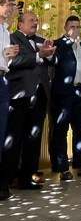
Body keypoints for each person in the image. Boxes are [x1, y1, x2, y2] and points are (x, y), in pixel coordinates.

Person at [0, 11, 55, 191]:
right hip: (19, 95)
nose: (35, 23)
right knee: (13, 139)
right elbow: (12, 62)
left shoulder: (41, 40)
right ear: (20, 24)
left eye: (36, 20)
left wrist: (50, 54)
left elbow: (52, 61)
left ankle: (28, 178)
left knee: (34, 138)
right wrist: (39, 56)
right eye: (31, 20)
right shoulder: (11, 37)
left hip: (39, 96)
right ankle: (8, 179)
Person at [50, 15, 81, 180]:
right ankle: (62, 168)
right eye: (72, 26)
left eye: (78, 26)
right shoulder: (57, 44)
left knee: (80, 129)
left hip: (79, 91)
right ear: (65, 27)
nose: (75, 29)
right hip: (62, 93)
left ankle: (80, 164)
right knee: (60, 130)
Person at [0, 0, 19, 201]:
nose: (10, 8)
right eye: (7, 4)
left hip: (3, 79)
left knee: (2, 132)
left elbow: (5, 61)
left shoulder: (5, 30)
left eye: (12, 5)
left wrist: (9, 56)